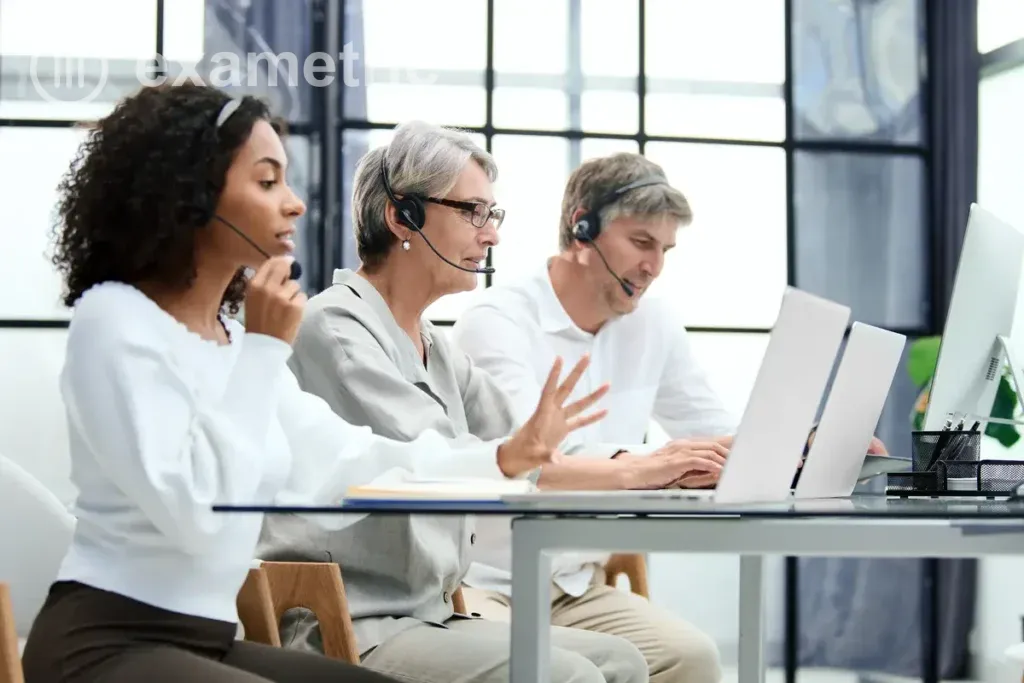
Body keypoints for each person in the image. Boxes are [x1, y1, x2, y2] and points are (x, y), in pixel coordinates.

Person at [20, 84, 603, 683]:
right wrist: (264, 349)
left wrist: (502, 459)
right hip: (104, 644)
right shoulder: (116, 320)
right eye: (267, 181)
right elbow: (199, 514)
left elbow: (355, 461)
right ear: (190, 192)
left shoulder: (232, 342)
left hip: (206, 640)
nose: (295, 204)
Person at [450, 152, 888, 683]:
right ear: (582, 227)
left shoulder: (653, 323)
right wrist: (659, 463)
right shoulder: (496, 321)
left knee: (693, 658)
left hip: (573, 586)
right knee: (565, 670)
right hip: (485, 583)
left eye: (665, 250)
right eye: (641, 242)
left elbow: (712, 431)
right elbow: (536, 463)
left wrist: (802, 446)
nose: (654, 266)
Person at [258, 120, 654, 683]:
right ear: (402, 216)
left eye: (492, 215)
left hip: (429, 613)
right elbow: (448, 460)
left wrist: (657, 462)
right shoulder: (335, 327)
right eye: (472, 212)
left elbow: (532, 448)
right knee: (570, 676)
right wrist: (548, 459)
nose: (491, 235)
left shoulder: (435, 346)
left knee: (623, 661)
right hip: (354, 623)